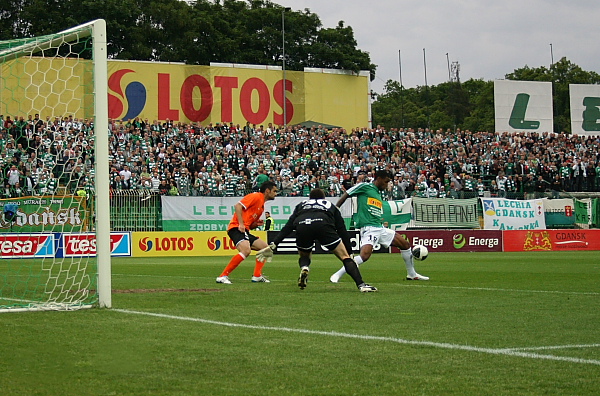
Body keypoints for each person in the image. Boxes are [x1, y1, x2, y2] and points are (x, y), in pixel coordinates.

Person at [260, 188, 377, 292]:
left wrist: (274, 243)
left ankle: (304, 267)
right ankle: (361, 285)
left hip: (303, 225)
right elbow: (342, 230)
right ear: (324, 198)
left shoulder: (301, 205)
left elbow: (289, 226)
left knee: (304, 256)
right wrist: (350, 252)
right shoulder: (329, 205)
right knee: (345, 258)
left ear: (309, 198)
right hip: (323, 225)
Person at [329, 170, 429, 283]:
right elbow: (347, 194)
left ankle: (412, 274)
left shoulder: (377, 193)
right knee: (364, 256)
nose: (387, 185)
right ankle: (337, 274)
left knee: (405, 244)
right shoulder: (364, 186)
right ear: (379, 179)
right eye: (386, 182)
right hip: (369, 228)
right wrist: (336, 210)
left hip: (379, 227)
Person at [216, 180, 278, 284]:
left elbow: (249, 223)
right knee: (246, 251)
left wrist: (255, 224)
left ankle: (257, 276)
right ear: (267, 191)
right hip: (236, 227)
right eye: (274, 191)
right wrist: (241, 224)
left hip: (244, 230)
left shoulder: (261, 205)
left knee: (266, 249)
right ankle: (223, 276)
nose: (275, 193)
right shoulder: (256, 196)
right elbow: (238, 206)